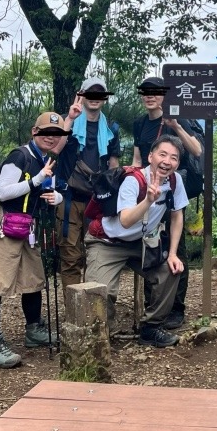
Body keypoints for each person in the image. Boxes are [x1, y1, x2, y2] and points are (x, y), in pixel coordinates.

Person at [0, 112, 69, 368]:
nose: (52, 137)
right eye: (46, 132)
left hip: (27, 226)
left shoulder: (46, 160)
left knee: (33, 280)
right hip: (1, 223)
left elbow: (49, 190)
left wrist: (55, 197)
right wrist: (37, 180)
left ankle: (34, 330)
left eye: (57, 134)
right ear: (34, 132)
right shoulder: (19, 156)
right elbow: (3, 192)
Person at [85, 135, 188, 348]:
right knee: (101, 290)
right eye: (162, 154)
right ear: (150, 156)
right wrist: (149, 200)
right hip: (106, 241)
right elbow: (125, 219)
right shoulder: (134, 180)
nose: (167, 161)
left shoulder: (175, 181)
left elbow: (178, 215)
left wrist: (173, 253)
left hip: (140, 242)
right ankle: (98, 336)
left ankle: (151, 328)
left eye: (174, 157)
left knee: (171, 271)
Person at [132, 76, 203, 329]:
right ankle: (154, 306)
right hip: (148, 194)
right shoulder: (139, 123)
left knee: (176, 248)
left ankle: (176, 308)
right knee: (149, 248)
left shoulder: (177, 118)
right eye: (146, 92)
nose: (150, 96)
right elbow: (139, 158)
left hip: (173, 195)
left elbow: (196, 151)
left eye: (156, 92)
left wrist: (177, 126)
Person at [56, 78, 121, 293]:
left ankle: (91, 306)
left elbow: (113, 165)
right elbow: (56, 149)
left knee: (96, 255)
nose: (94, 99)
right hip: (69, 199)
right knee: (71, 256)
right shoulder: (69, 122)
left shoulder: (110, 130)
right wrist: (70, 120)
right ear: (81, 96)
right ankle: (73, 309)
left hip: (97, 203)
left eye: (99, 95)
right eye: (90, 94)